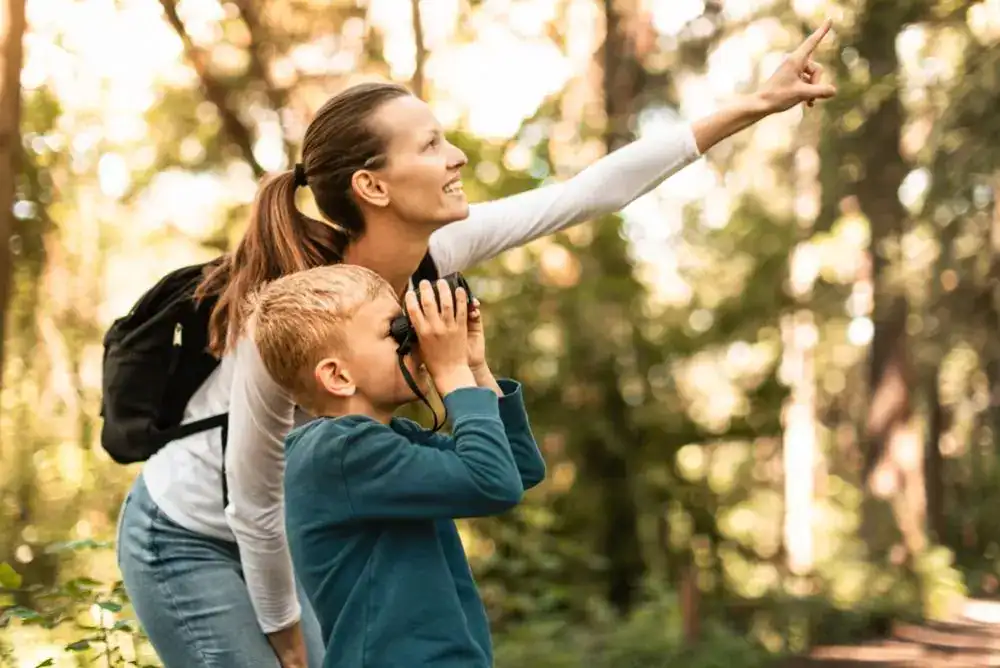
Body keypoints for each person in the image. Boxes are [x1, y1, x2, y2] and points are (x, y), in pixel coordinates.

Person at [115, 19, 836, 668]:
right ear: (373, 185)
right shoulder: (290, 310)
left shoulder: (439, 250)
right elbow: (253, 499)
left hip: (300, 523)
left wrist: (752, 104)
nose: (455, 156)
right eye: (431, 145)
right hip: (189, 531)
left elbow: (589, 192)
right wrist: (285, 635)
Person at [248, 264, 544, 668]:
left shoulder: (389, 439)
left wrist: (474, 367)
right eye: (395, 332)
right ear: (337, 375)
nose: (417, 341)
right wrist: (452, 369)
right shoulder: (341, 452)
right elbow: (493, 483)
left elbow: (516, 469)